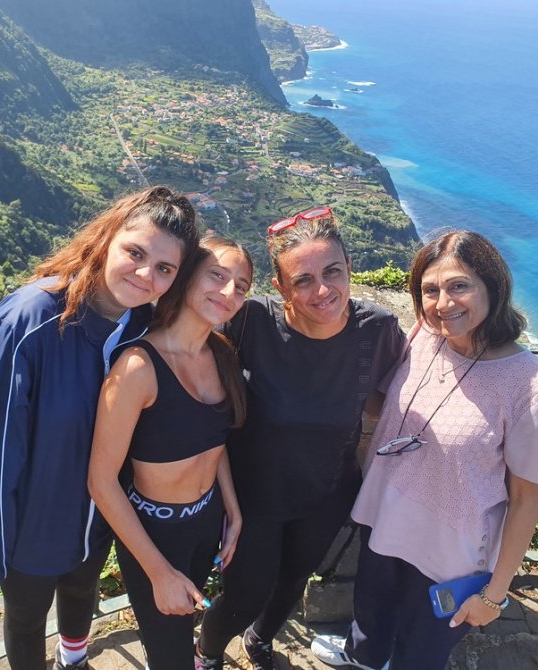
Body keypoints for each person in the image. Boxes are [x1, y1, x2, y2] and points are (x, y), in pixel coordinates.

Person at [0, 186, 200, 670]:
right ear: (107, 239)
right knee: (26, 621)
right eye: (135, 253)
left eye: (165, 268)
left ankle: (75, 659)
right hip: (30, 529)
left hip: (99, 518)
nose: (146, 275)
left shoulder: (142, 327)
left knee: (82, 592)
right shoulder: (31, 320)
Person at [311, 230, 538, 670]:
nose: (443, 303)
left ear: (493, 286)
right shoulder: (424, 336)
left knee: (422, 650)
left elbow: (526, 499)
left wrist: (494, 596)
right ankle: (362, 659)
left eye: (459, 286)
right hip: (385, 514)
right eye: (430, 290)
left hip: (451, 550)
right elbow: (382, 405)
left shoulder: (525, 383)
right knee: (371, 612)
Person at [195, 207, 406, 670]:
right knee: (244, 595)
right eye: (303, 280)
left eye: (332, 271)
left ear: (350, 267)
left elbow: (394, 397)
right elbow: (188, 345)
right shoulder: (250, 321)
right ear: (281, 288)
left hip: (327, 493)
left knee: (293, 580)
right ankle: (207, 653)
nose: (323, 289)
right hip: (253, 497)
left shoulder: (377, 329)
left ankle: (259, 640)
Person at [88, 235, 253, 670]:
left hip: (206, 521)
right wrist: (159, 573)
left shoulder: (222, 355)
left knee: (184, 627)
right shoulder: (138, 367)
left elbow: (215, 442)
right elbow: (101, 481)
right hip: (155, 535)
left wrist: (232, 510)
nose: (229, 292)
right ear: (186, 277)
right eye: (217, 276)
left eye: (241, 286)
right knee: (170, 655)